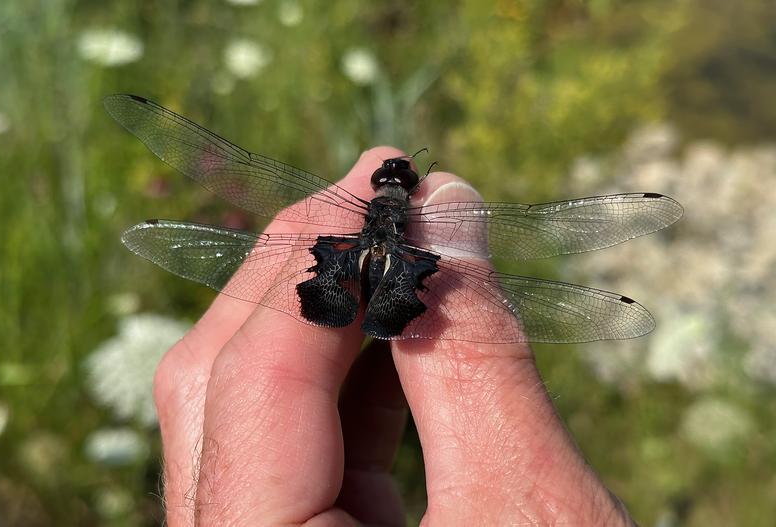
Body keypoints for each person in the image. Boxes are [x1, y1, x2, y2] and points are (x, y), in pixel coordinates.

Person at [152, 147, 637, 526]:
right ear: (409, 195)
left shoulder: (357, 209)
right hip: (398, 279)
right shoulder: (419, 219)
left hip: (351, 263)